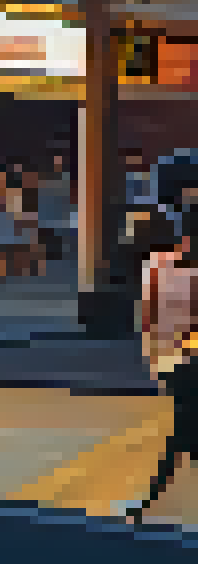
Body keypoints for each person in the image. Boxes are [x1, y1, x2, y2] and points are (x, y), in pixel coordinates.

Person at [128, 203, 198, 523]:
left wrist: (154, 360)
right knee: (183, 430)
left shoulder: (156, 265)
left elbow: (147, 318)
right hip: (189, 360)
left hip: (169, 360)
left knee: (183, 427)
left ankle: (150, 499)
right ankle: (150, 498)